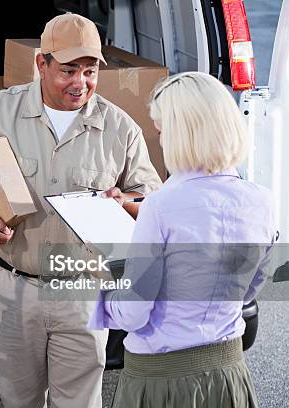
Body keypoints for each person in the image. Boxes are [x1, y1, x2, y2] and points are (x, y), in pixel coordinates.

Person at [0, 13, 161, 408]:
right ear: (41, 64)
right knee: (19, 400)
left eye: (90, 71)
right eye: (68, 70)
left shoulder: (120, 129)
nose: (80, 83)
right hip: (14, 288)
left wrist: (125, 204)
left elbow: (153, 202)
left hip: (81, 292)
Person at [89, 72, 278, 408]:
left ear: (181, 135)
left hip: (162, 380)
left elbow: (133, 314)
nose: (159, 141)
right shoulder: (262, 201)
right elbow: (249, 290)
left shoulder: (161, 208)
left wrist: (102, 286)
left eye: (161, 132)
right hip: (228, 374)